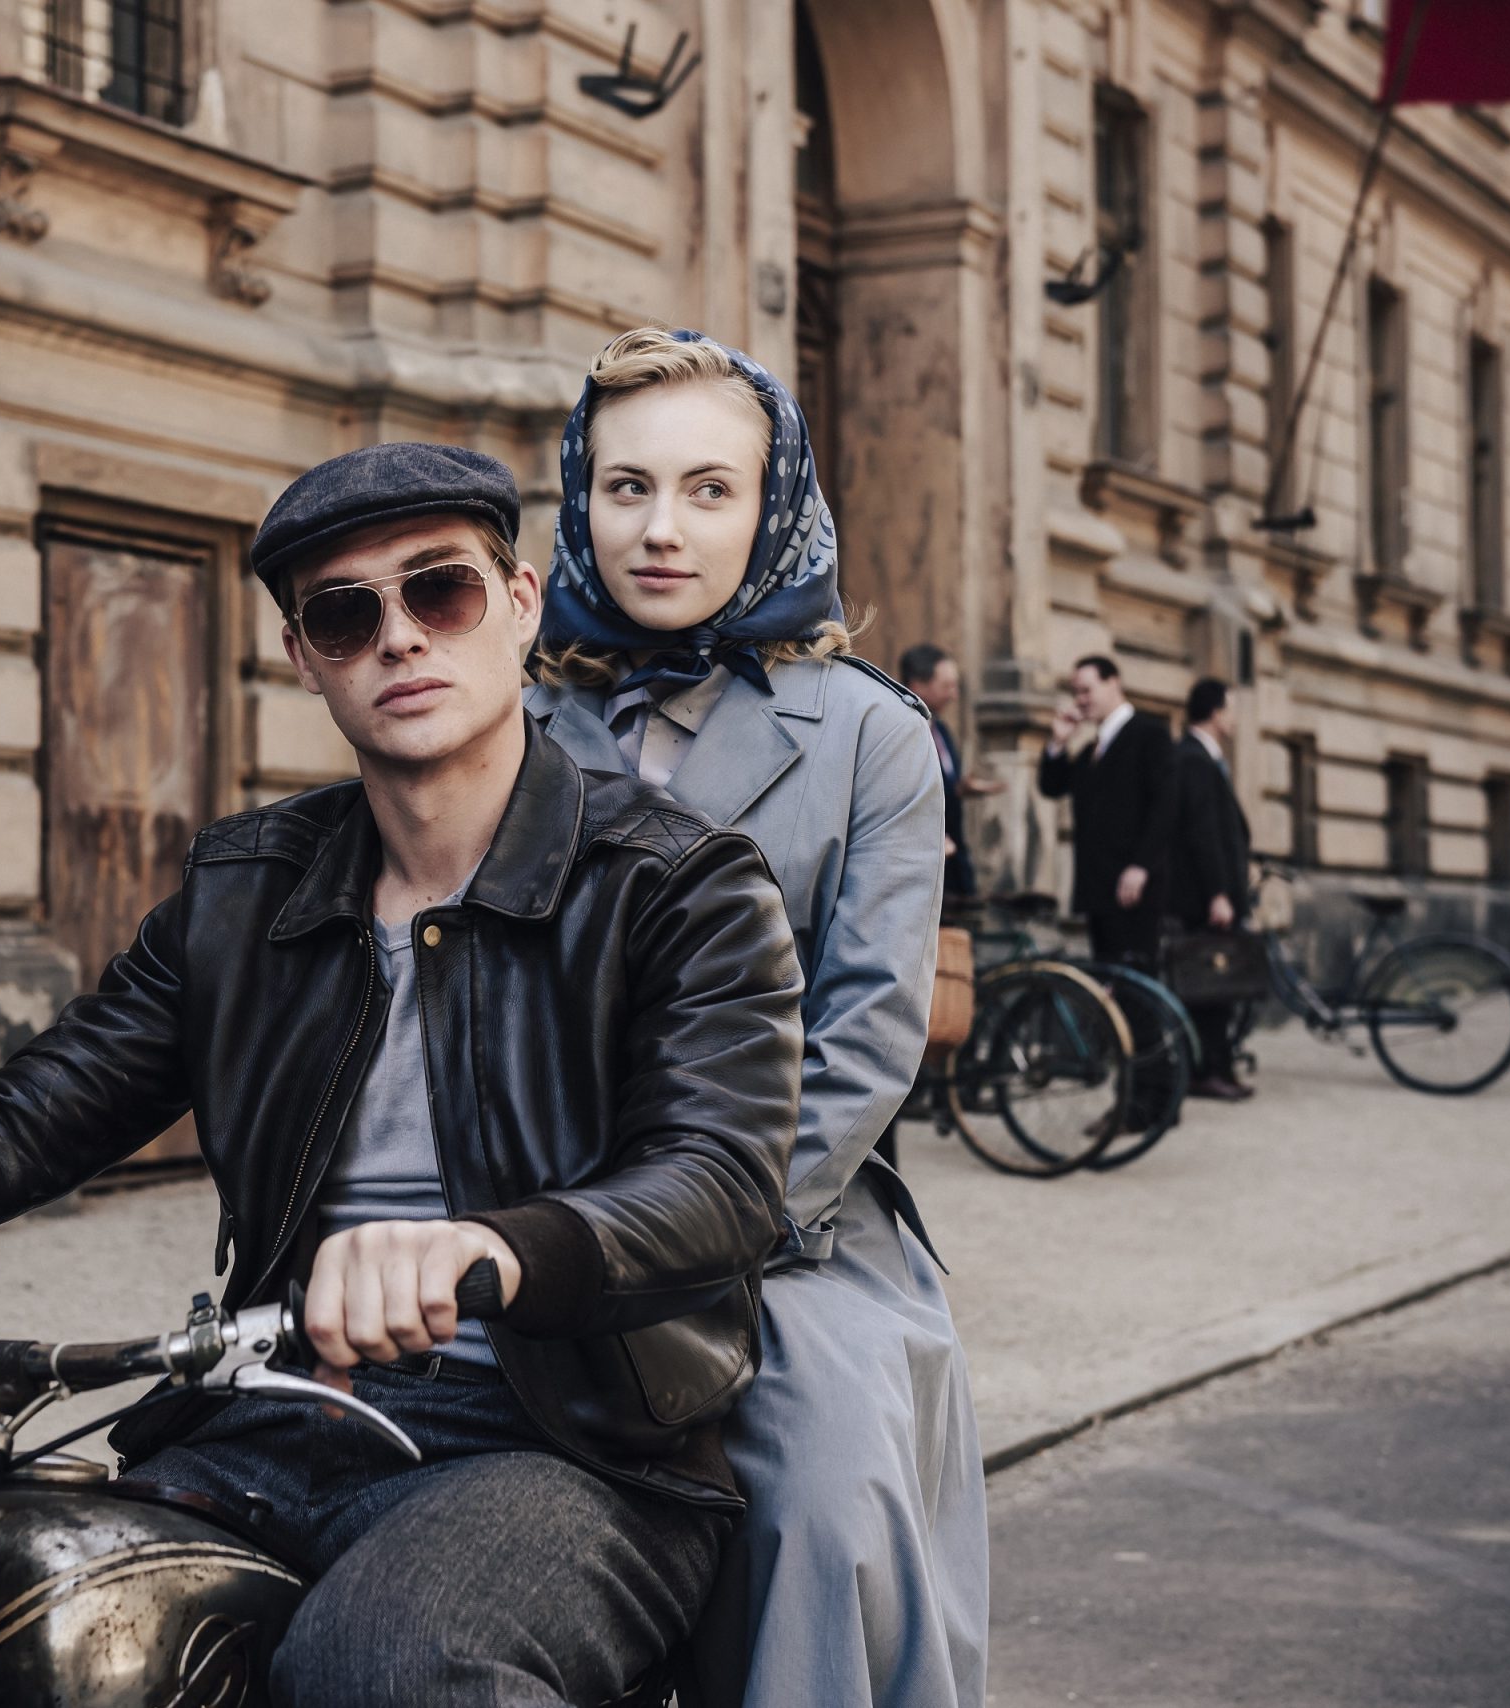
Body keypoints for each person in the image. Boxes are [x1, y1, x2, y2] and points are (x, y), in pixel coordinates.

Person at [0, 443, 811, 1708]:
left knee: (387, 1667)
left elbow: (718, 1180)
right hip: (269, 1412)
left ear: (519, 603)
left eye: (440, 592)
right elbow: (23, 1121)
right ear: (300, 655)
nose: (399, 640)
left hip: (568, 1450)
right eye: (343, 612)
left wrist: (486, 1247)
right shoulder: (244, 891)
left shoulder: (679, 883)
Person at [528, 327, 986, 1708]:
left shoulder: (871, 737)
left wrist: (681, 1235)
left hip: (788, 1232)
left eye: (708, 490)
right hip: (529, 1216)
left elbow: (866, 1040)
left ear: (774, 503)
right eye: (627, 489)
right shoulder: (516, 716)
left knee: (821, 1498)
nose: (661, 530)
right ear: (578, 499)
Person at [1036, 654, 1178, 967]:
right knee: (1109, 984)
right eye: (1076, 693)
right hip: (1098, 887)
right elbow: (1051, 786)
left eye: (1087, 691)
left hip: (1135, 887)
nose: (1080, 700)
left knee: (1136, 987)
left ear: (1113, 683)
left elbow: (1166, 804)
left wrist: (1141, 866)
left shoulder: (1149, 734)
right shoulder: (1090, 751)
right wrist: (1059, 742)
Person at [1169, 676, 1253, 1100]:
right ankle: (1209, 1070)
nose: (1236, 716)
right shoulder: (1194, 759)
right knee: (1211, 989)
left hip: (1213, 893)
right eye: (1232, 707)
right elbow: (1202, 833)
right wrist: (1219, 892)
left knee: (1220, 987)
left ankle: (1220, 1066)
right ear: (1217, 712)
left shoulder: (1203, 757)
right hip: (1204, 898)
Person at [900, 643, 1005, 900]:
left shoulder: (942, 731)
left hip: (954, 864)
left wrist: (961, 788)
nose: (954, 695)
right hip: (922, 865)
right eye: (947, 686)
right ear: (918, 684)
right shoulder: (900, 732)